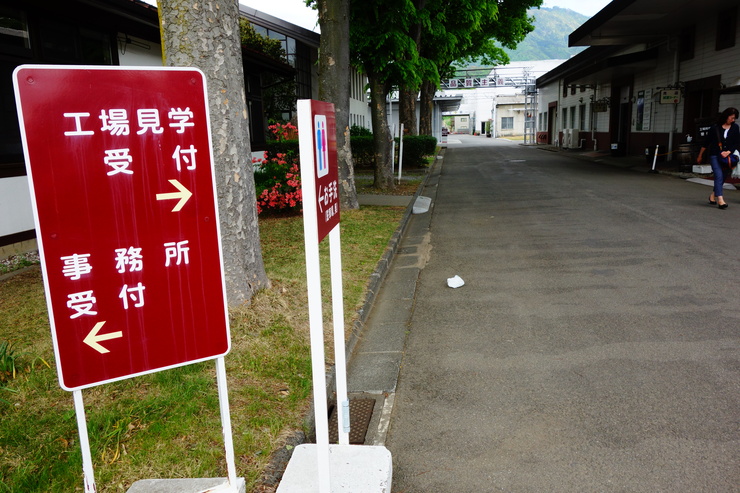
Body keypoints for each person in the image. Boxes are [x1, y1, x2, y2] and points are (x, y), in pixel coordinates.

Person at [696, 107, 740, 209]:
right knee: (718, 175)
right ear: (726, 116)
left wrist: (728, 151)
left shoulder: (735, 128)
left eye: (734, 118)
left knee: (724, 176)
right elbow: (706, 143)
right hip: (715, 155)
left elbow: (737, 142)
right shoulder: (715, 128)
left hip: (728, 156)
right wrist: (700, 155)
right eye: (732, 118)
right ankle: (720, 199)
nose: (733, 120)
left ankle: (712, 196)